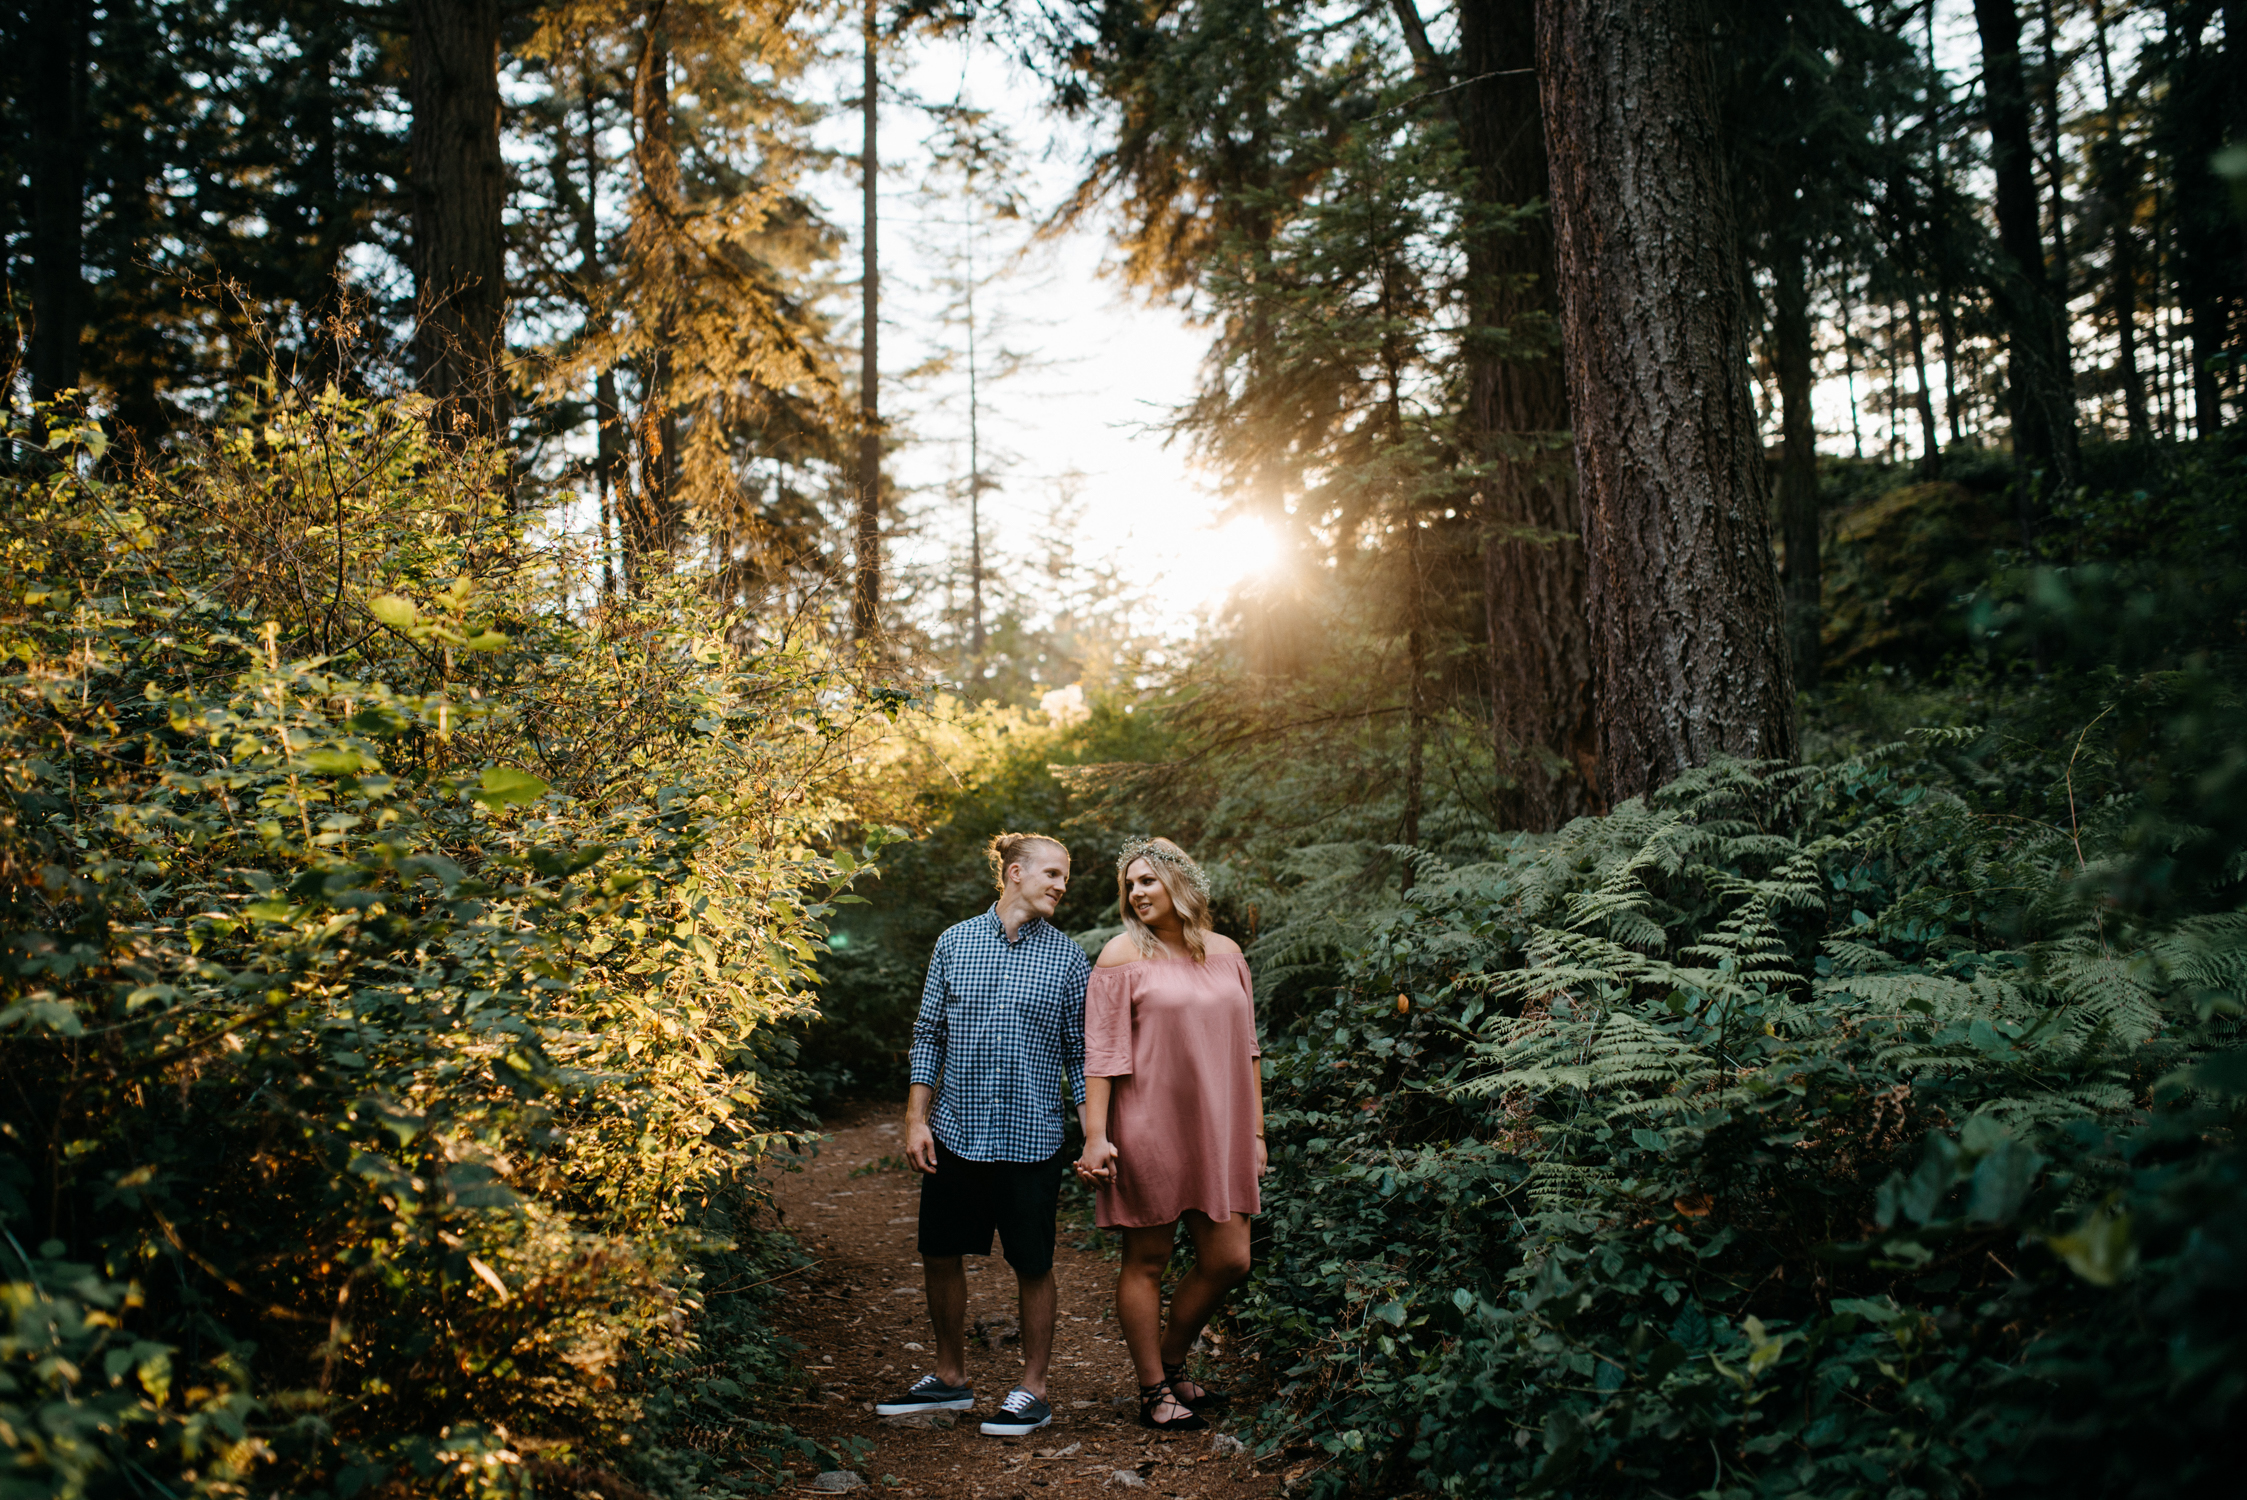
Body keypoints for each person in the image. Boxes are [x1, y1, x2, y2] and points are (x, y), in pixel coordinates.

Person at [874, 832, 1091, 1438]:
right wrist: (917, 1118)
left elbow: (1081, 1057)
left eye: (1065, 877)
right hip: (958, 1131)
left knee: (1033, 1261)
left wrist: (1094, 1135)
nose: (1060, 885)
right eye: (1051, 873)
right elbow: (929, 1034)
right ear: (1015, 873)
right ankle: (949, 1378)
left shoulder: (1070, 959)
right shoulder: (954, 942)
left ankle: (1033, 1389)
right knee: (940, 1253)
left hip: (1034, 1137)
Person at [1074, 836, 1265, 1432]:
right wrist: (1096, 1137)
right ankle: (1153, 1388)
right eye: (1129, 884)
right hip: (1147, 1125)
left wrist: (1256, 1133)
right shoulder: (1120, 956)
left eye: (1147, 880)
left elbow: (1250, 1050)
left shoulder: (1227, 952)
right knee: (1148, 1259)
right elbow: (1101, 1055)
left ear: (1180, 882)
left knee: (1230, 1259)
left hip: (1220, 1129)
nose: (1136, 892)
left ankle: (1174, 1359)